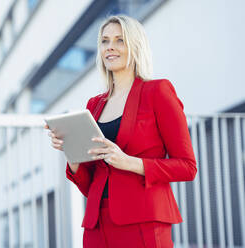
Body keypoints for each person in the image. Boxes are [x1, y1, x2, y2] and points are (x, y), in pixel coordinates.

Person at [44, 15, 197, 248]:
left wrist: (129, 162)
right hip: (97, 225)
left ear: (135, 46)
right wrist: (71, 151)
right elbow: (89, 184)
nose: (110, 47)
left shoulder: (157, 92)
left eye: (119, 40)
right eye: (104, 41)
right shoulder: (94, 105)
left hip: (143, 221)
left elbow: (188, 167)